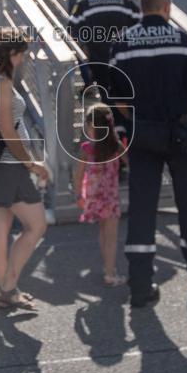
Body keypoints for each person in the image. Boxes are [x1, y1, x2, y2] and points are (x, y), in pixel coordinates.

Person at [108, 0, 187, 309]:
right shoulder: (184, 42)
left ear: (142, 8)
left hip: (142, 133)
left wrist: (134, 121)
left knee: (142, 207)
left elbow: (116, 97)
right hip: (180, 132)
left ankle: (140, 287)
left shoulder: (123, 44)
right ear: (166, 8)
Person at [0, 27, 50, 310]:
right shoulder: (1, 83)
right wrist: (32, 163)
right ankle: (7, 286)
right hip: (8, 167)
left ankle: (7, 290)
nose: (24, 59)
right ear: (13, 54)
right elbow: (7, 131)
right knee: (37, 224)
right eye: (22, 54)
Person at [68, 0, 141, 136]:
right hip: (125, 62)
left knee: (107, 98)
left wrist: (84, 47)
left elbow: (71, 29)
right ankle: (126, 134)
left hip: (99, 61)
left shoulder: (83, 3)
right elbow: (140, 27)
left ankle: (112, 137)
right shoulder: (127, 2)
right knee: (125, 97)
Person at [72, 103, 127, 287]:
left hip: (94, 196)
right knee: (111, 235)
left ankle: (108, 267)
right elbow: (129, 161)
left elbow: (78, 174)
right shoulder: (116, 146)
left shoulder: (87, 148)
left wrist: (78, 195)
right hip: (110, 196)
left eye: (89, 126)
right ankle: (110, 273)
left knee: (104, 232)